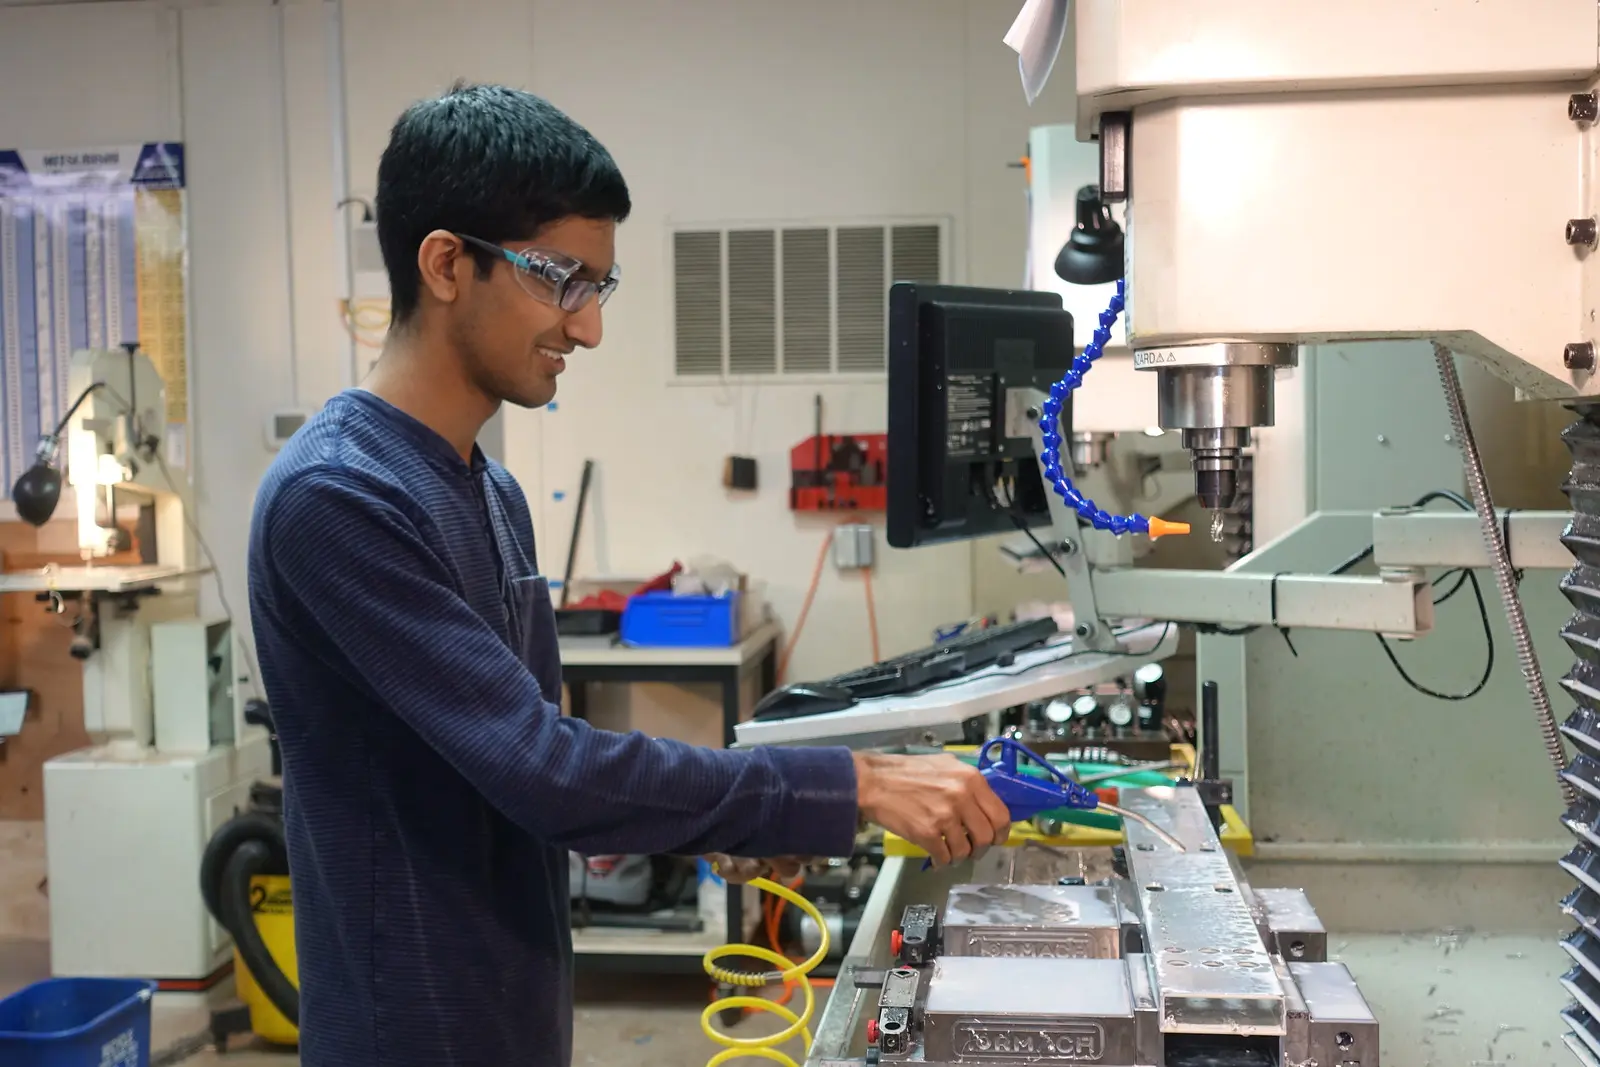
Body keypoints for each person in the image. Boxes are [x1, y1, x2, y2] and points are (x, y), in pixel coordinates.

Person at [247, 82, 1012, 1067]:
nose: (587, 327)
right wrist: (847, 783)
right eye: (559, 279)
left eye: (595, 288)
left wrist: (720, 822)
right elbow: (546, 770)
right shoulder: (338, 497)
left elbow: (528, 765)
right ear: (445, 264)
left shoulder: (492, 492)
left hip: (518, 1003)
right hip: (409, 1026)